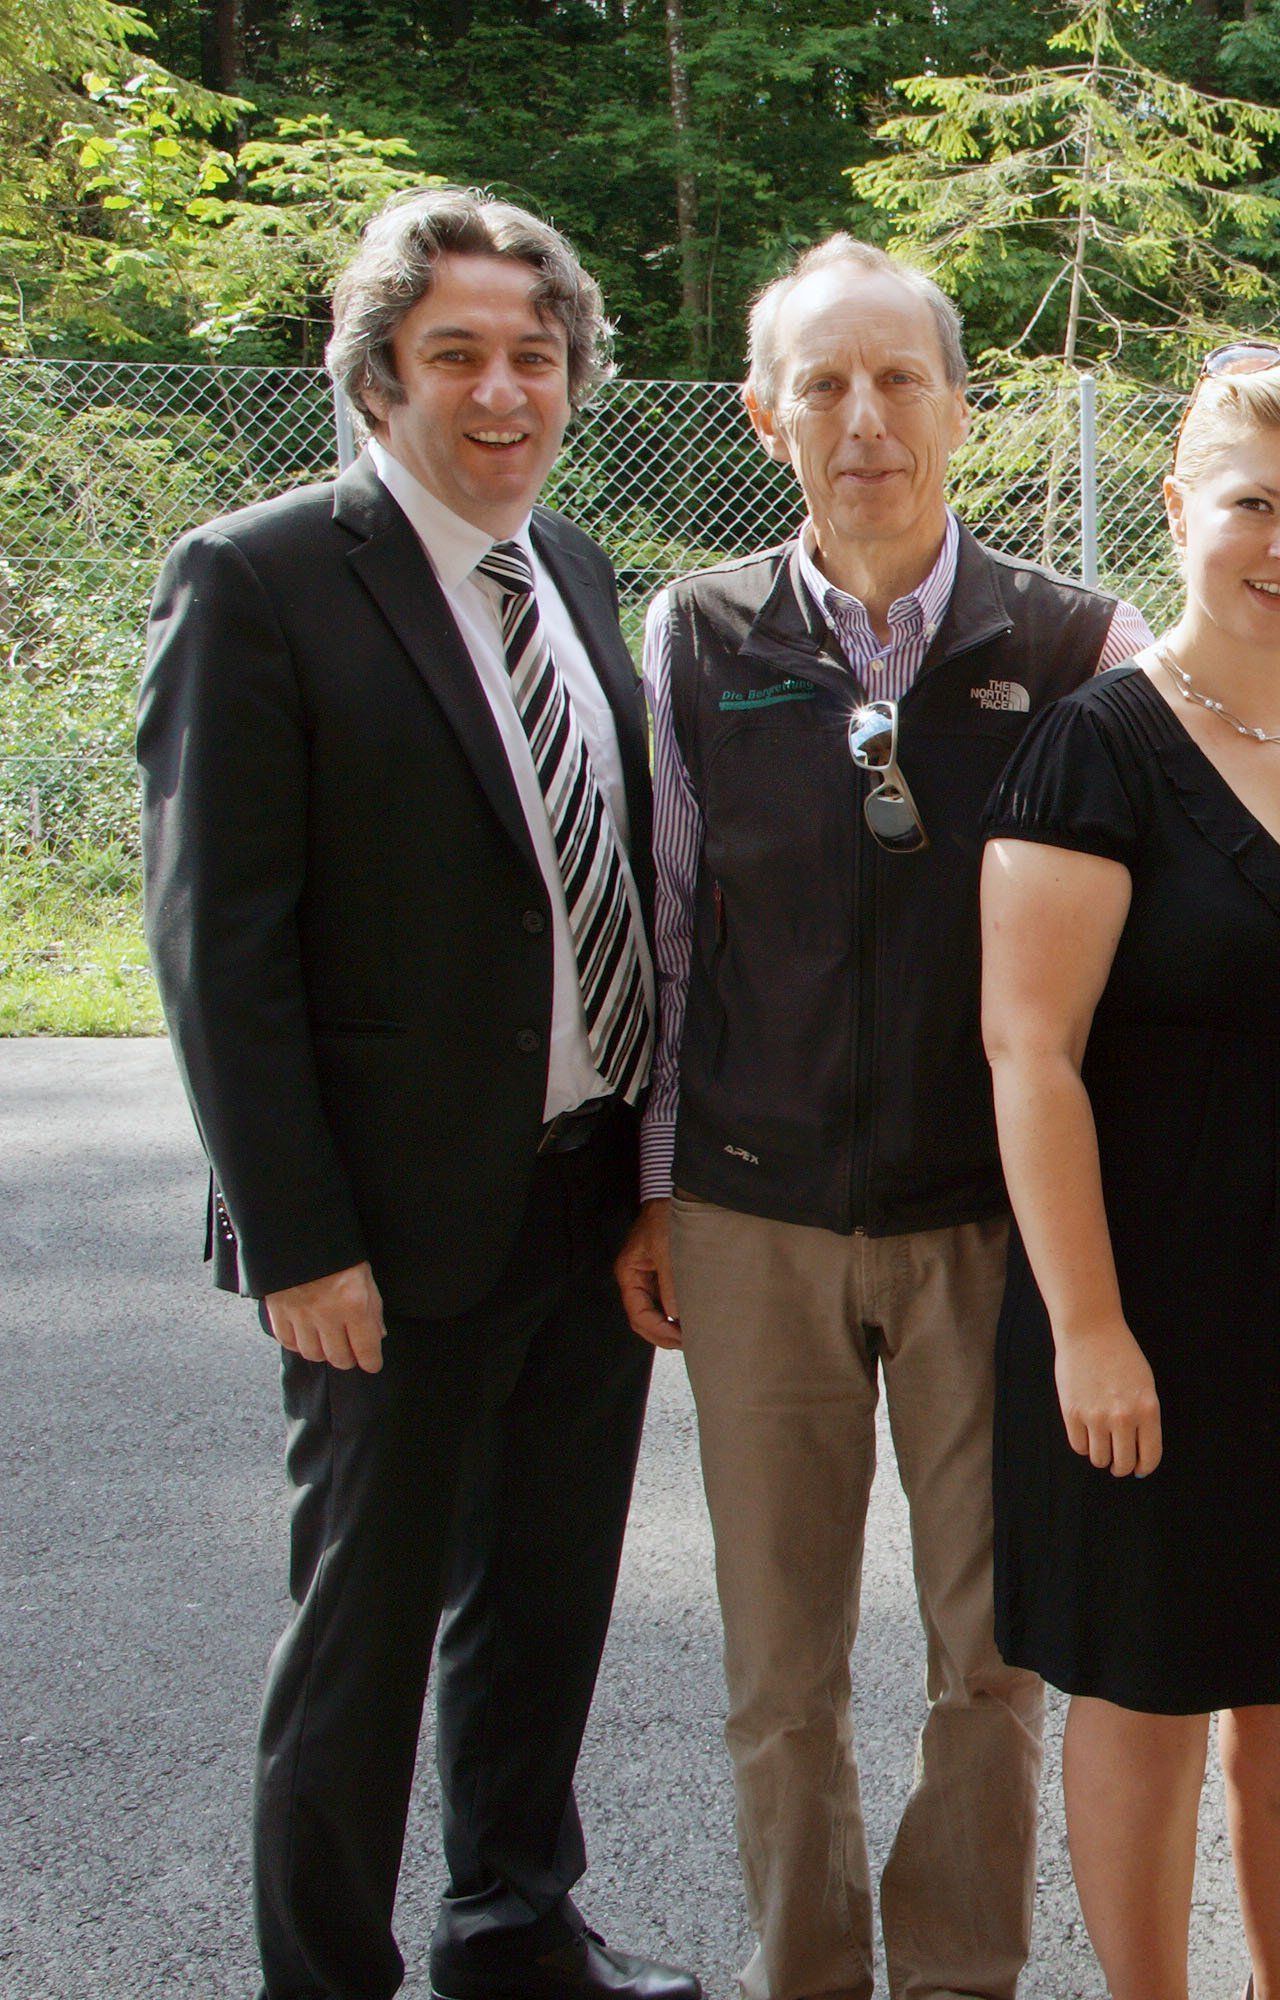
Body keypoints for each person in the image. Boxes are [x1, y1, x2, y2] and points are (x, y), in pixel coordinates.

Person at [139, 188, 696, 2000]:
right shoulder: (260, 579)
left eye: (536, 354)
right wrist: (297, 1239)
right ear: (378, 375)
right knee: (362, 1638)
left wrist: (650, 1175)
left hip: (580, 1197)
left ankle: (512, 1932)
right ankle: (326, 1975)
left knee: (544, 1605)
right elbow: (219, 949)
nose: (504, 391)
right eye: (456, 353)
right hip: (382, 1228)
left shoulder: (576, 571)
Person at [614, 235, 1152, 2000]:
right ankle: (807, 1976)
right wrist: (659, 1188)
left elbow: (1130, 967)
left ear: (960, 408)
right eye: (824, 385)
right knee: (779, 1672)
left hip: (984, 1228)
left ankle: (957, 1976)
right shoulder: (697, 637)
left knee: (989, 1660)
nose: (865, 420)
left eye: (900, 379)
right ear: (764, 415)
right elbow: (668, 935)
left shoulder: (1077, 645)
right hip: (754, 1218)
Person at [978, 344, 1280, 2000]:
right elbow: (1029, 1052)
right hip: (1149, 1281)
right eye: (1252, 504)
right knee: (1146, 1682)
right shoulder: (1092, 750)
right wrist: (1088, 1328)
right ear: (1178, 508)